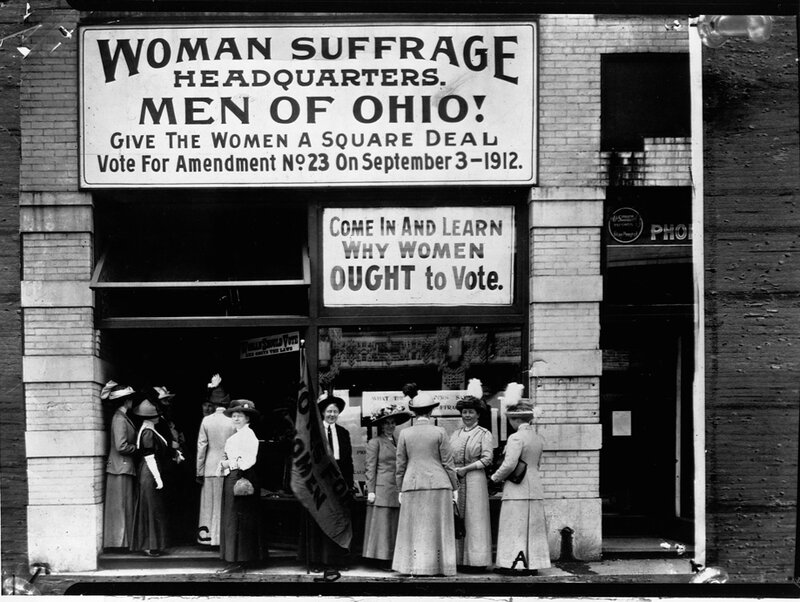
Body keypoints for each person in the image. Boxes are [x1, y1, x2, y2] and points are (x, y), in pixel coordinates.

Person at [392, 387, 458, 576]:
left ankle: (413, 566)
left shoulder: (404, 433)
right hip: (439, 483)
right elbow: (448, 463)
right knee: (438, 528)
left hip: (412, 484)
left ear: (413, 412)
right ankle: (439, 567)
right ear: (431, 411)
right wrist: (455, 487)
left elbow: (400, 465)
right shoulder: (440, 432)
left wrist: (400, 489)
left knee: (414, 528)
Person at [489, 398, 551, 575]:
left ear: (516, 420)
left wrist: (494, 478)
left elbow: (509, 464)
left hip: (517, 487)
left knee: (514, 527)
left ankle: (514, 565)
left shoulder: (515, 437)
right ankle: (532, 564)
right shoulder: (538, 438)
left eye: (510, 419)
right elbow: (537, 464)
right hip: (534, 485)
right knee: (532, 528)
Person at [298, 393, 354, 571]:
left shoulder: (343, 433)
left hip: (338, 484)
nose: (332, 414)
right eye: (329, 411)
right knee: (320, 520)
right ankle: (317, 561)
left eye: (335, 412)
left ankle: (336, 561)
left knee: (338, 520)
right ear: (322, 412)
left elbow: (348, 461)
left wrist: (349, 484)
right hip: (319, 484)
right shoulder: (313, 433)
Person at [449, 381, 494, 571]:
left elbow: (487, 459)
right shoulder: (455, 434)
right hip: (457, 480)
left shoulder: (484, 433)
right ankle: (459, 560)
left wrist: (466, 469)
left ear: (478, 414)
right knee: (457, 518)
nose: (467, 415)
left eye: (471, 412)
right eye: (464, 412)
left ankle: (476, 561)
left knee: (475, 519)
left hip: (475, 479)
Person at [362, 403, 412, 567]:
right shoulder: (374, 442)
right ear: (381, 425)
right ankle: (380, 559)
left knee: (393, 524)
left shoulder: (399, 441)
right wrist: (371, 490)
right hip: (382, 488)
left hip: (397, 487)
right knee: (382, 524)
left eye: (392, 423)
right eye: (386, 423)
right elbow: (370, 468)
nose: (390, 426)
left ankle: (392, 557)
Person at [218, 398, 265, 573]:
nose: (236, 418)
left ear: (248, 419)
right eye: (234, 416)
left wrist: (229, 464)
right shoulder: (236, 436)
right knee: (234, 518)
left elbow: (248, 460)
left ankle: (239, 559)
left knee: (238, 519)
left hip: (242, 477)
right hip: (233, 477)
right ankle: (235, 557)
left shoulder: (248, 435)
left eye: (240, 416)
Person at [196, 374, 235, 548]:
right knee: (223, 504)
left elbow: (201, 448)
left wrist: (199, 470)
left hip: (210, 467)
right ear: (226, 403)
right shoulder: (233, 422)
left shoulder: (206, 421)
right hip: (225, 467)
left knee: (208, 505)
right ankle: (221, 538)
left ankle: (207, 538)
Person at [101, 381, 140, 551]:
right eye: (130, 399)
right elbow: (121, 446)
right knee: (121, 506)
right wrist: (138, 448)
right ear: (126, 401)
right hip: (120, 466)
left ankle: (122, 541)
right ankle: (119, 542)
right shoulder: (119, 419)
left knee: (123, 505)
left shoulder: (122, 417)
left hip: (122, 467)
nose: (132, 402)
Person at [130, 398, 171, 557]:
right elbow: (149, 456)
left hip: (150, 470)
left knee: (152, 507)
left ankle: (153, 544)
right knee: (150, 507)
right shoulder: (147, 431)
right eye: (156, 414)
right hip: (149, 471)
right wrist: (158, 478)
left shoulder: (149, 429)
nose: (159, 417)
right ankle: (149, 545)